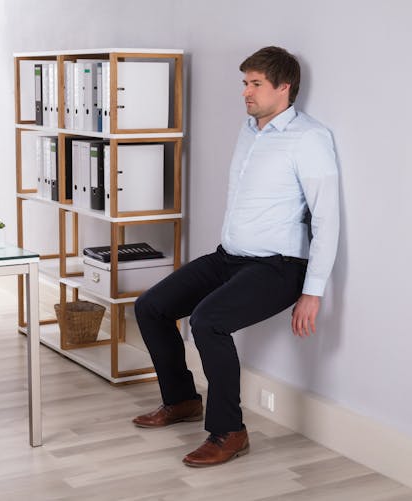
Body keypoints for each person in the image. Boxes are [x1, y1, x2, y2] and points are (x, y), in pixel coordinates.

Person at [133, 46, 339, 467]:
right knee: (151, 306)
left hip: (279, 266)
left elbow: (328, 219)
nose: (246, 91)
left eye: (255, 84)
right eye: (245, 83)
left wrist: (313, 291)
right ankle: (182, 401)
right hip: (230, 257)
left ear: (284, 88)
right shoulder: (249, 130)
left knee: (209, 322)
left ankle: (229, 431)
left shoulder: (310, 139)